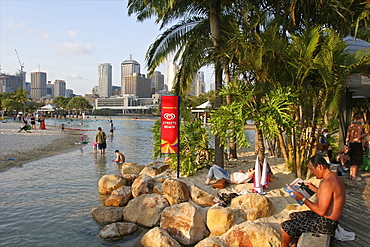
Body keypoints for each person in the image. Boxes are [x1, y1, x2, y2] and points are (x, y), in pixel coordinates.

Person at [280, 155, 346, 247]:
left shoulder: (327, 183)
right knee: (293, 216)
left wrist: (303, 198)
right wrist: (314, 189)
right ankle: (294, 244)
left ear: (320, 166)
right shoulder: (334, 178)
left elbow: (321, 211)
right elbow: (328, 196)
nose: (312, 173)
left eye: (312, 169)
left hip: (325, 224)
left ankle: (285, 245)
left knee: (285, 226)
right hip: (329, 220)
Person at [346, 113, 369, 181]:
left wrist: (347, 144)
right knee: (356, 159)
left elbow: (348, 136)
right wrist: (366, 133)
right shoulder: (359, 126)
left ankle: (351, 174)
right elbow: (358, 136)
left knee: (352, 159)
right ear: (360, 118)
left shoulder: (350, 126)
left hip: (351, 143)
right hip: (357, 143)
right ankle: (354, 175)